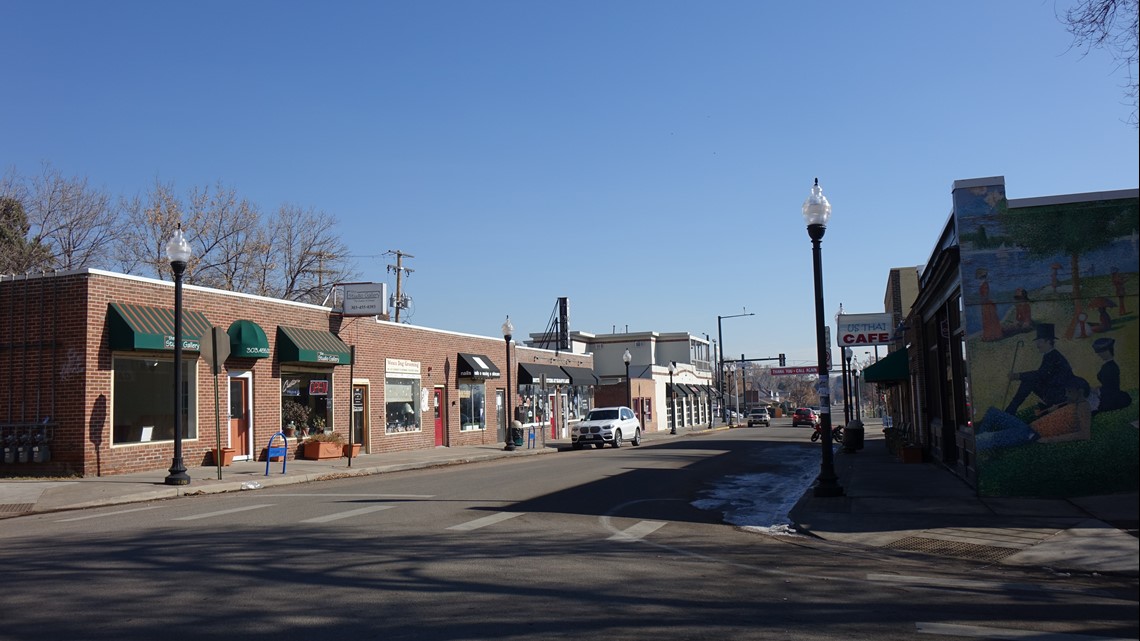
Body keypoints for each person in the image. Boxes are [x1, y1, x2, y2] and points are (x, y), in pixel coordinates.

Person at [977, 375, 1092, 450]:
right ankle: (982, 443)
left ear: (1080, 391)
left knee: (986, 439)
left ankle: (981, 443)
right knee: (993, 412)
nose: (1066, 394)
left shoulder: (1083, 406)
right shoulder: (1072, 404)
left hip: (1031, 435)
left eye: (1069, 391)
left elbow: (1084, 434)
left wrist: (1049, 440)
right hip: (1028, 428)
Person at [1005, 323, 1072, 415]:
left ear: (1048, 342)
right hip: (1053, 390)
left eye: (1039, 341)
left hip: (1059, 395)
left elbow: (1040, 374)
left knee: (1029, 380)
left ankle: (1010, 411)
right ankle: (1010, 410)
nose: (1037, 344)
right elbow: (1042, 375)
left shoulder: (1053, 357)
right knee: (1029, 380)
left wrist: (1018, 375)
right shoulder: (1050, 355)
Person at [1090, 337, 1132, 415]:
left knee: (1090, 401)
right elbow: (1108, 384)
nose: (1099, 355)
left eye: (1100, 352)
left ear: (1106, 352)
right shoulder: (1110, 366)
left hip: (1109, 398)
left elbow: (1110, 388)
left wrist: (1097, 391)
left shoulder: (1109, 368)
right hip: (1110, 394)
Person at [977, 268, 1003, 341]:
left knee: (989, 320)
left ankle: (991, 335)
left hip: (986, 304)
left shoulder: (984, 284)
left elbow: (985, 294)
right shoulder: (983, 284)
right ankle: (990, 335)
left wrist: (984, 301)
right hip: (985, 304)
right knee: (987, 320)